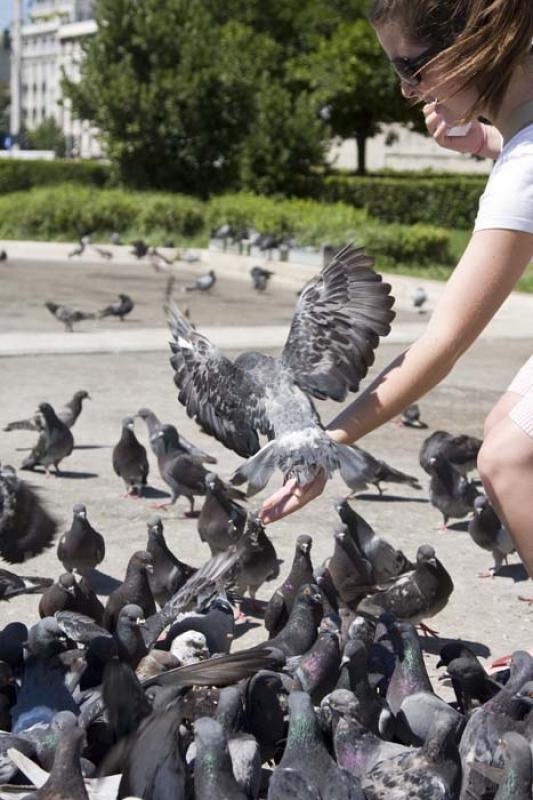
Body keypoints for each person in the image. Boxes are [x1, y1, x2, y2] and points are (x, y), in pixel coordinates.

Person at [260, 0, 533, 583]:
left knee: (509, 459)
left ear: (475, 44)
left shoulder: (525, 167)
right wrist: (484, 141)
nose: (407, 91)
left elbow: (441, 346)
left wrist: (326, 443)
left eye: (412, 68)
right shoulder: (521, 130)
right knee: (506, 425)